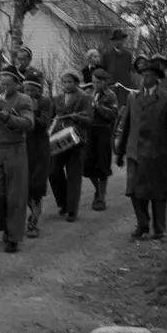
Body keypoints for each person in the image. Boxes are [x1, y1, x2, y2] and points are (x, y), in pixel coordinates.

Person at [115, 58, 167, 240]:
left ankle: (159, 228)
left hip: (158, 152)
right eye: (142, 75)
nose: (144, 79)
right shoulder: (133, 98)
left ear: (157, 78)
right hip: (135, 152)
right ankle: (143, 224)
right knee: (134, 191)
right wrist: (120, 151)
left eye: (148, 75)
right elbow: (126, 125)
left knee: (158, 192)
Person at [0, 65, 37, 253]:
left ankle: (14, 236)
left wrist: (8, 118)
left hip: (15, 149)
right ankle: (6, 228)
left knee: (15, 195)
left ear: (16, 83)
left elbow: (29, 123)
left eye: (8, 83)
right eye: (2, 82)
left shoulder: (24, 99)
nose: (4, 85)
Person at [49, 71, 93, 222]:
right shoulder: (56, 99)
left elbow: (89, 120)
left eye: (70, 82)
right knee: (54, 171)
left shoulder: (85, 98)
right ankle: (64, 202)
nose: (67, 85)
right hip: (59, 140)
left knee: (74, 175)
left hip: (77, 140)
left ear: (76, 83)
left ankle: (72, 210)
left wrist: (78, 117)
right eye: (64, 82)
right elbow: (50, 118)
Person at [82, 69, 119, 211]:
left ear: (105, 82)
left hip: (103, 130)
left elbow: (113, 115)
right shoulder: (89, 93)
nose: (96, 84)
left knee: (103, 164)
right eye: (94, 81)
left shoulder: (111, 95)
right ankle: (98, 189)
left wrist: (98, 107)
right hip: (90, 130)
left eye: (99, 82)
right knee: (87, 164)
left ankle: (101, 197)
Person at [23, 71, 53, 237]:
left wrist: (32, 111)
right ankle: (32, 215)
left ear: (39, 89)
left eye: (32, 90)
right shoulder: (20, 100)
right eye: (26, 90)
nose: (28, 93)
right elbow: (6, 108)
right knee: (24, 186)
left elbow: (44, 124)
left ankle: (33, 223)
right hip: (24, 146)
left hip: (39, 147)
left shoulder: (45, 101)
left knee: (36, 187)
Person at [100, 30, 135, 108]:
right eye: (118, 40)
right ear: (113, 41)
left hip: (125, 87)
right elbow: (103, 71)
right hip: (112, 87)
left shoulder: (127, 55)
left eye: (121, 39)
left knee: (124, 107)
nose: (120, 42)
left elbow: (129, 70)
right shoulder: (107, 55)